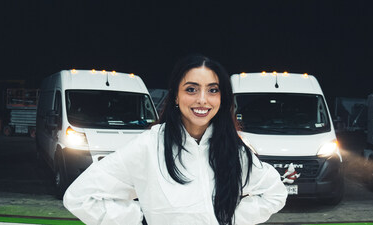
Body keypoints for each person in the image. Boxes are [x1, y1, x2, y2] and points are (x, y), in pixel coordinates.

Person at [63, 54, 288, 225]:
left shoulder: (233, 150)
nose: (202, 100)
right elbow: (80, 197)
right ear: (176, 97)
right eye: (191, 89)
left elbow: (274, 193)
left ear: (222, 98)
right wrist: (142, 220)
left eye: (212, 90)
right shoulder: (149, 146)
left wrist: (228, 219)